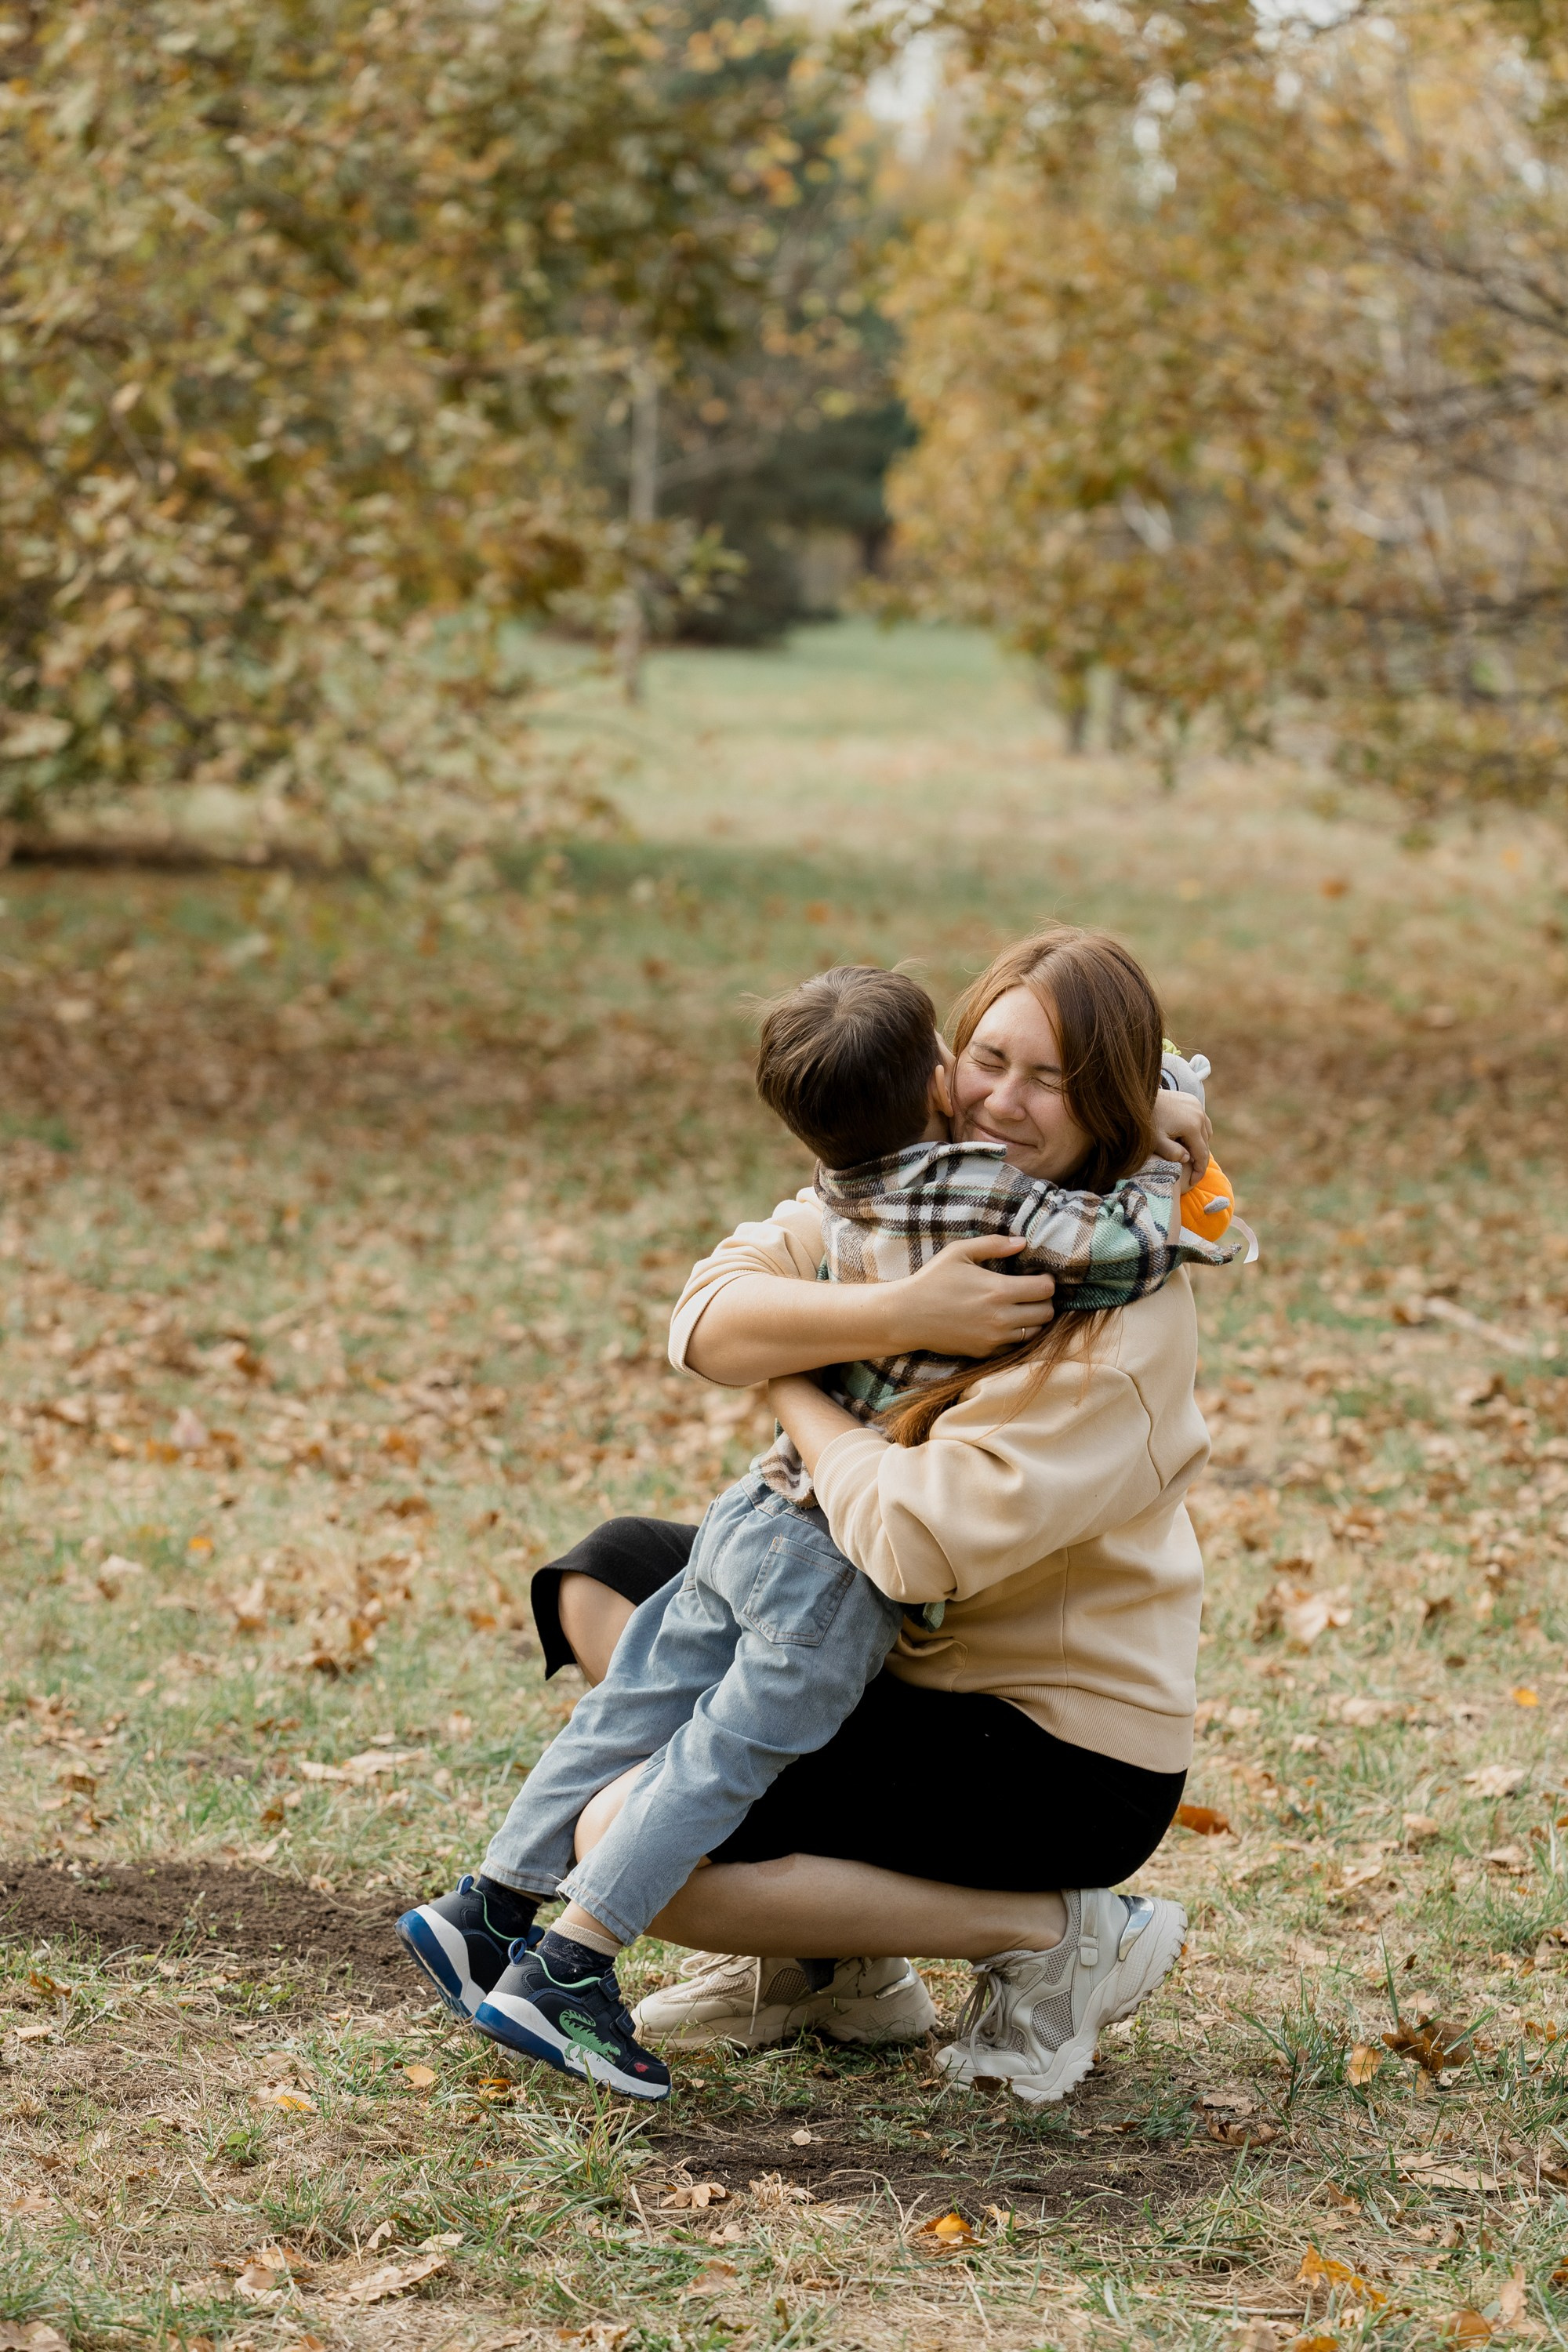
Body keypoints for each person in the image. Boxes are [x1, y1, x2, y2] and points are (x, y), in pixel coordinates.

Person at [396, 963, 1240, 2099]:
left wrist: (798, 1388)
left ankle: (1060, 1928)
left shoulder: (1114, 1329)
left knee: (632, 1829)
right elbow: (706, 1316)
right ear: (946, 1062)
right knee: (612, 1575)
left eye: (1052, 1080)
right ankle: (830, 1969)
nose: (1003, 1098)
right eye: (990, 1060)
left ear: (1112, 1102)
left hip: (1048, 1742)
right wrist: (899, 1314)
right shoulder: (932, 1179)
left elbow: (905, 1541)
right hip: (886, 1623)